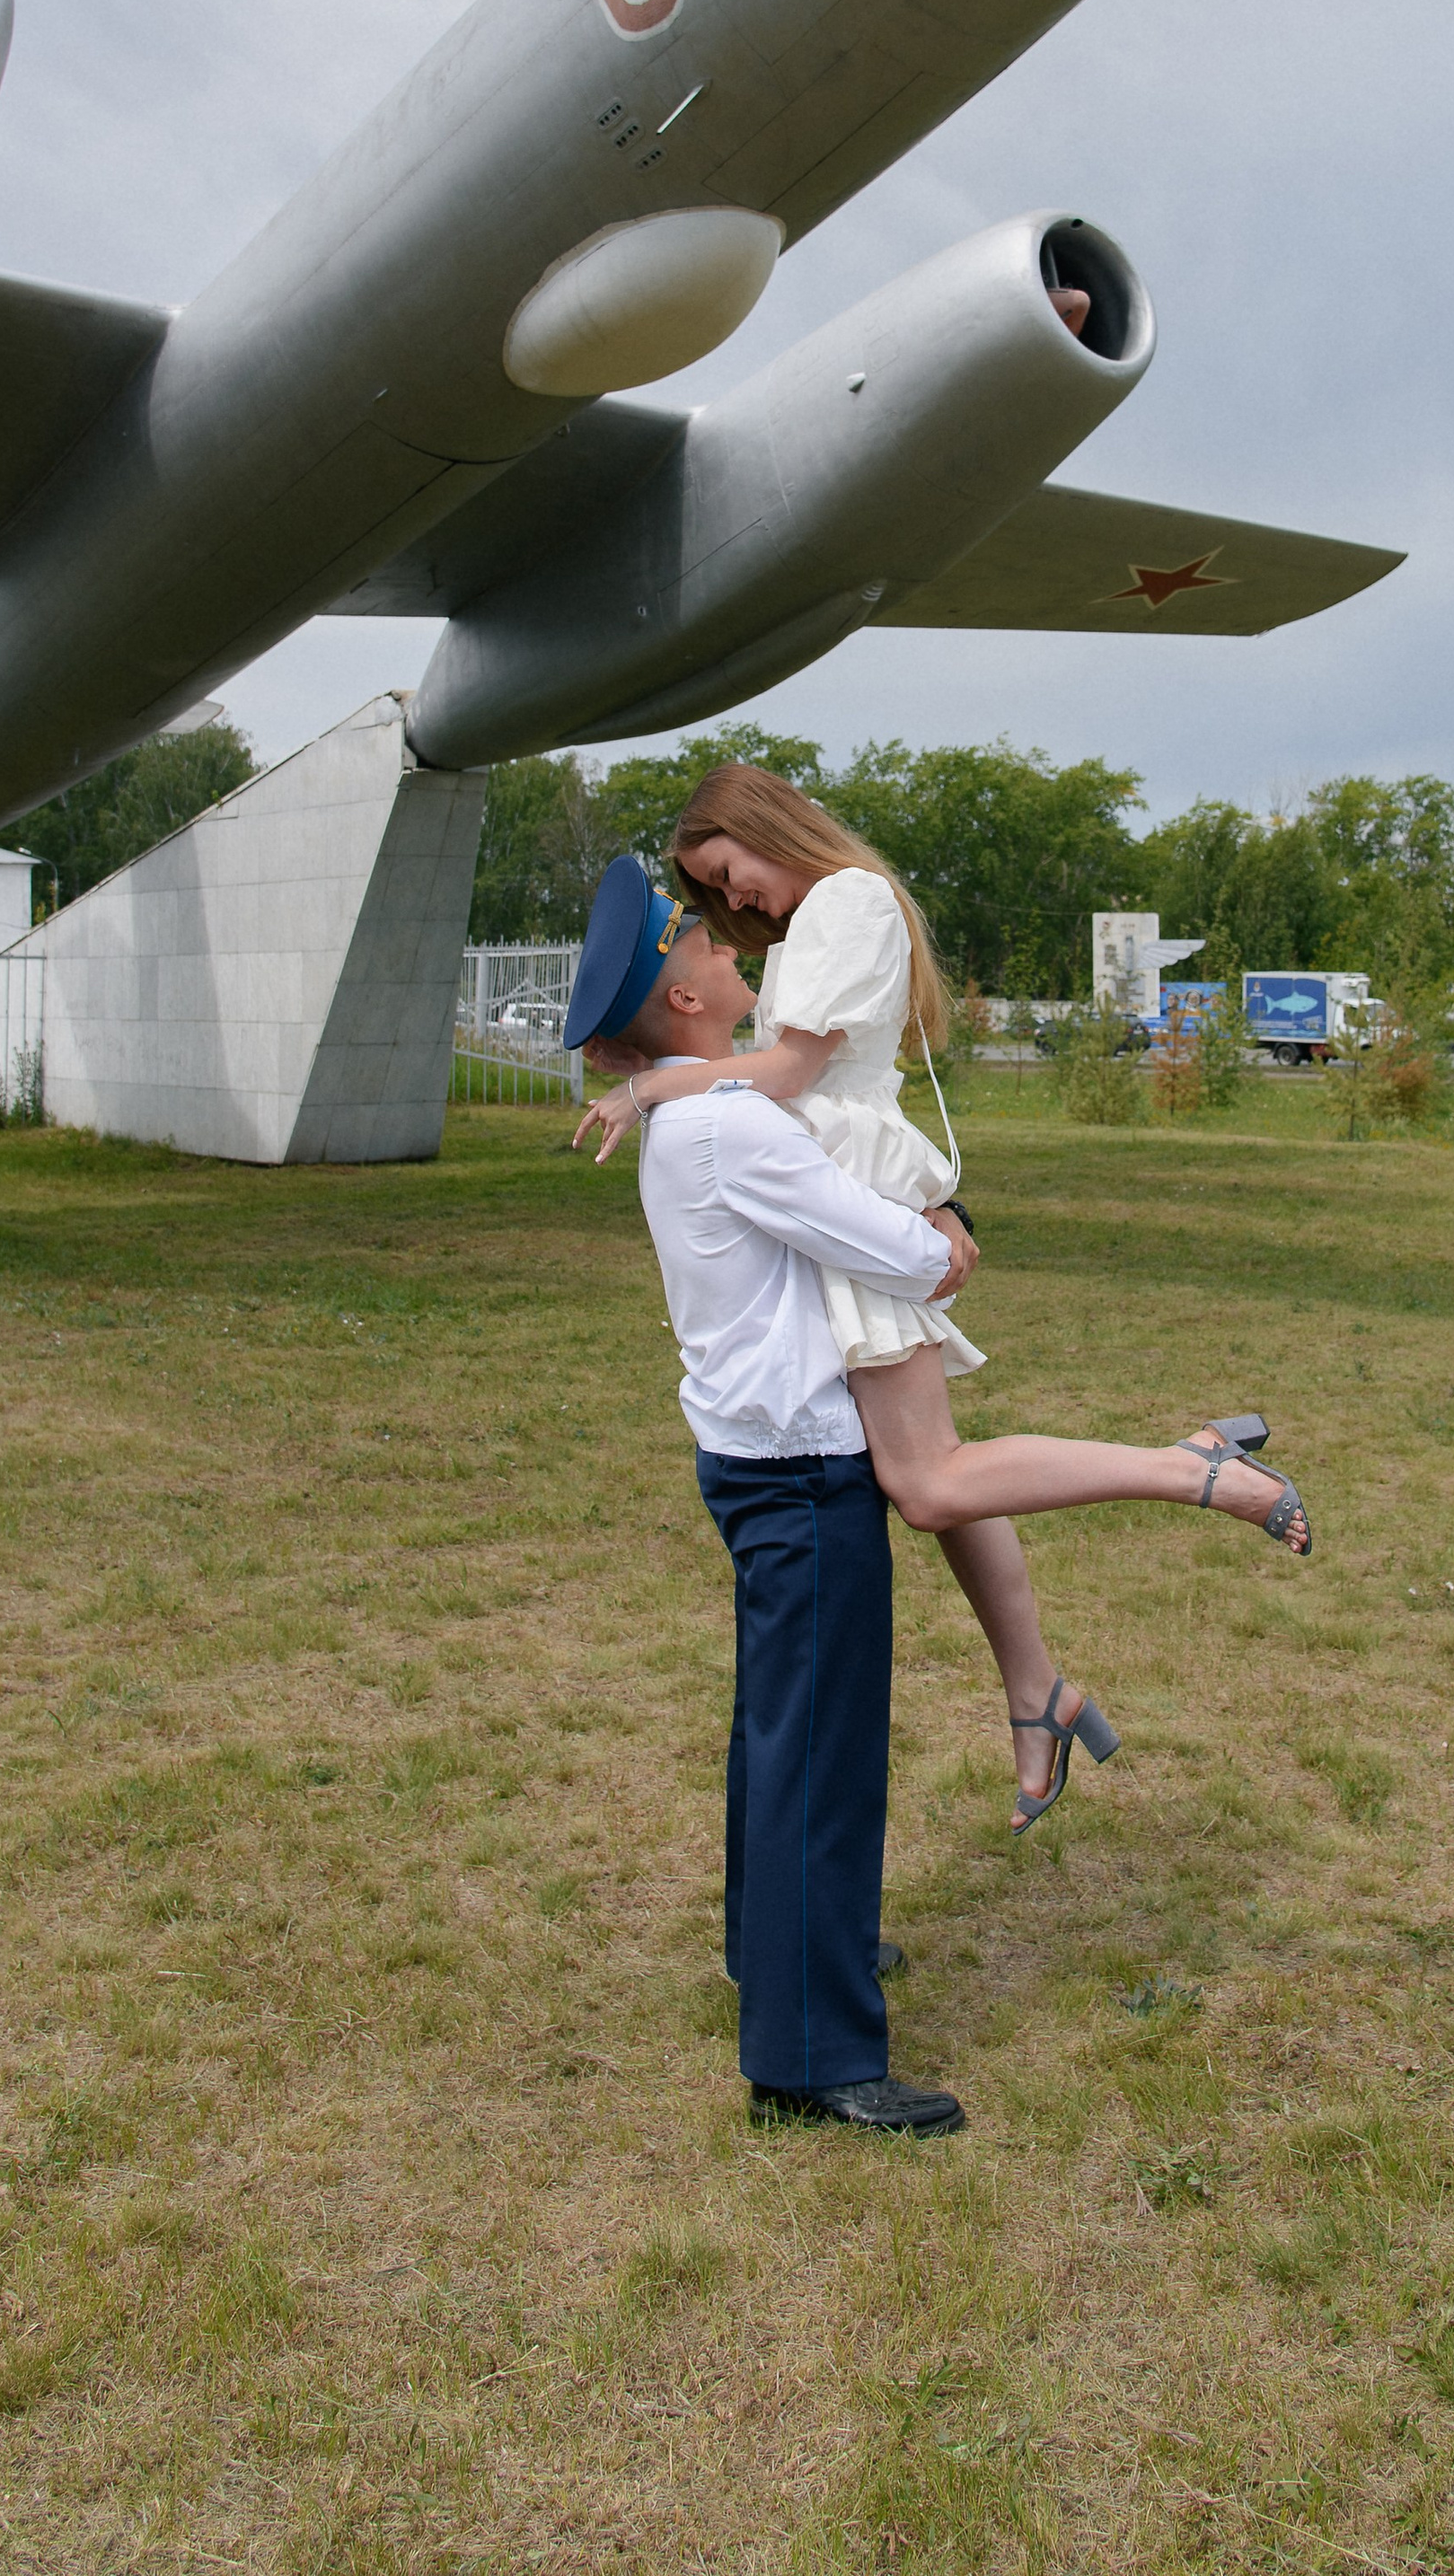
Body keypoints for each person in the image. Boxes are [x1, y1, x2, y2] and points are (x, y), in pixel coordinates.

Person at [577, 765, 1135, 1832]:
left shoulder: (845, 899)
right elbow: (777, 1074)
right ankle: (1035, 1689)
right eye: (711, 894)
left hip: (851, 1198)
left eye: (729, 874)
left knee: (929, 1480)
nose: (734, 904)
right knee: (934, 1479)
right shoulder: (817, 918)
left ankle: (1185, 1473)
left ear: (762, 827)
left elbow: (786, 1073)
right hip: (840, 1196)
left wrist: (650, 1083)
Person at [568, 858, 974, 2132]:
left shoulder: (694, 1116)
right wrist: (948, 1240)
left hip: (757, 1464)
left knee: (778, 1732)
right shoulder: (733, 1124)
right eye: (698, 935)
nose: (726, 942)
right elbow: (899, 1251)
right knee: (824, 1751)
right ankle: (812, 2053)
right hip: (802, 1474)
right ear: (685, 996)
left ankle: (787, 1949)